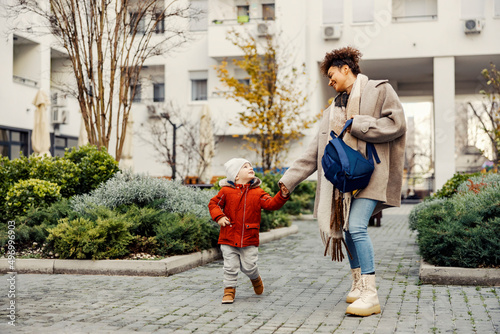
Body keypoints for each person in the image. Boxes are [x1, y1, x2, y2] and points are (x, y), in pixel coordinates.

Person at [279, 47, 406, 317]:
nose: (329, 81)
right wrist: (288, 181)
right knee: (348, 230)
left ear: (346, 69)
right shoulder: (331, 110)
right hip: (344, 181)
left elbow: (397, 124)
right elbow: (315, 152)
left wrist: (357, 123)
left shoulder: (379, 90)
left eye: (331, 74)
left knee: (357, 227)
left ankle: (371, 295)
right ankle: (359, 285)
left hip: (372, 173)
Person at [209, 158, 290, 304]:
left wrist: (282, 195)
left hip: (249, 237)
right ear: (236, 175)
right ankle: (229, 291)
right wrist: (219, 216)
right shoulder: (226, 191)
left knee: (249, 266)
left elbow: (271, 204)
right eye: (245, 167)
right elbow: (213, 203)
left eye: (250, 166)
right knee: (230, 266)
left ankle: (255, 277)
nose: (250, 168)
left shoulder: (257, 192)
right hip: (228, 236)